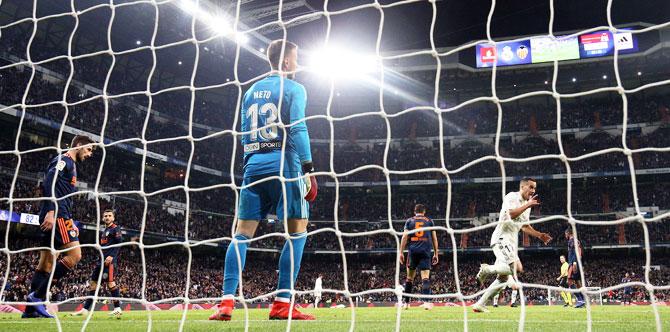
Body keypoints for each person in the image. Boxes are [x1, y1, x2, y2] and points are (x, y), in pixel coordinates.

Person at [209, 39, 317, 322]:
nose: (298, 63)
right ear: (285, 62)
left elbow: (245, 134)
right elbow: (297, 127)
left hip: (253, 166)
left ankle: (226, 303)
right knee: (297, 233)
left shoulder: (251, 91)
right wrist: (308, 168)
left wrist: (249, 166)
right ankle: (282, 303)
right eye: (296, 58)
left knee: (242, 235)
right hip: (285, 165)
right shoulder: (295, 88)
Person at [23, 135, 95, 318]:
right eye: (88, 150)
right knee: (75, 255)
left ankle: (30, 311)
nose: (89, 154)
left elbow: (63, 194)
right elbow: (49, 182)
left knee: (45, 264)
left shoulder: (72, 165)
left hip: (61, 216)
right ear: (78, 146)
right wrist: (52, 212)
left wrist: (71, 220)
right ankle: (38, 296)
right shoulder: (64, 161)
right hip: (57, 216)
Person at [472, 178, 552, 313]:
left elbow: (525, 226)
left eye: (534, 188)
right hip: (501, 238)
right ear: (523, 186)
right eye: (531, 187)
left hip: (511, 242)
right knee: (517, 267)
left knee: (502, 279)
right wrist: (528, 205)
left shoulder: (527, 205)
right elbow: (510, 214)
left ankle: (479, 304)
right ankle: (487, 270)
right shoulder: (512, 196)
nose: (533, 191)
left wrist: (540, 235)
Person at [72, 209, 124, 318]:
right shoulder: (104, 231)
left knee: (110, 283)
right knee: (93, 284)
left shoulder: (115, 229)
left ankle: (118, 308)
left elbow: (119, 243)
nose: (107, 217)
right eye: (105, 216)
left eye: (109, 216)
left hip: (109, 261)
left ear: (113, 218)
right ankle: (85, 309)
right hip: (101, 260)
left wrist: (112, 256)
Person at [399, 204, 438, 310]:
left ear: (414, 211)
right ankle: (426, 303)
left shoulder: (409, 221)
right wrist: (436, 253)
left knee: (409, 278)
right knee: (425, 277)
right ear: (424, 211)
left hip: (413, 251)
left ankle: (406, 303)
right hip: (425, 251)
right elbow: (434, 238)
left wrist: (401, 252)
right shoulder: (429, 221)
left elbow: (404, 237)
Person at [565, 228, 586, 308]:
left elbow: (578, 251)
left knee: (569, 281)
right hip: (577, 263)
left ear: (568, 233)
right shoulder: (576, 240)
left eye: (565, 234)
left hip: (573, 263)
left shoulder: (572, 240)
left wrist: (574, 263)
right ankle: (583, 300)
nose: (565, 235)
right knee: (577, 282)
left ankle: (580, 300)